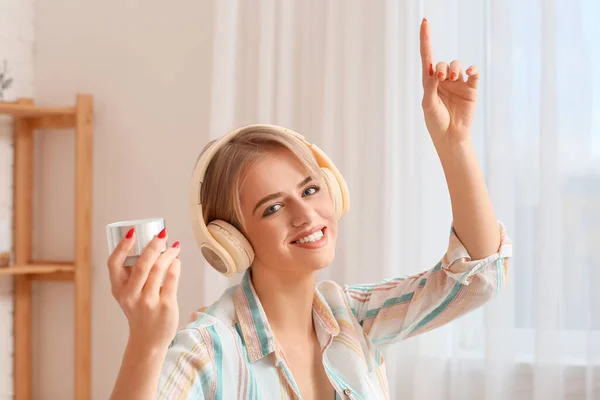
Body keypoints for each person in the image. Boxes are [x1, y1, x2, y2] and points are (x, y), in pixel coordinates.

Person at [107, 19, 513, 400]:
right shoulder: (208, 349)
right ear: (231, 241)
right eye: (273, 208)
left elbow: (477, 277)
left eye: (311, 189)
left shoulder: (353, 316)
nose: (306, 215)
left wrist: (454, 143)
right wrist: (148, 343)